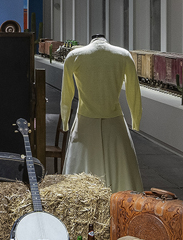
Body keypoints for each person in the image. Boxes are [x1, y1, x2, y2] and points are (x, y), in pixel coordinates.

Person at [60, 34, 143, 192]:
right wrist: (136, 121)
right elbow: (134, 91)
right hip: (115, 124)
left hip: (85, 124)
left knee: (81, 172)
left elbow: (67, 94)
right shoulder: (123, 55)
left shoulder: (75, 56)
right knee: (122, 173)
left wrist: (65, 121)